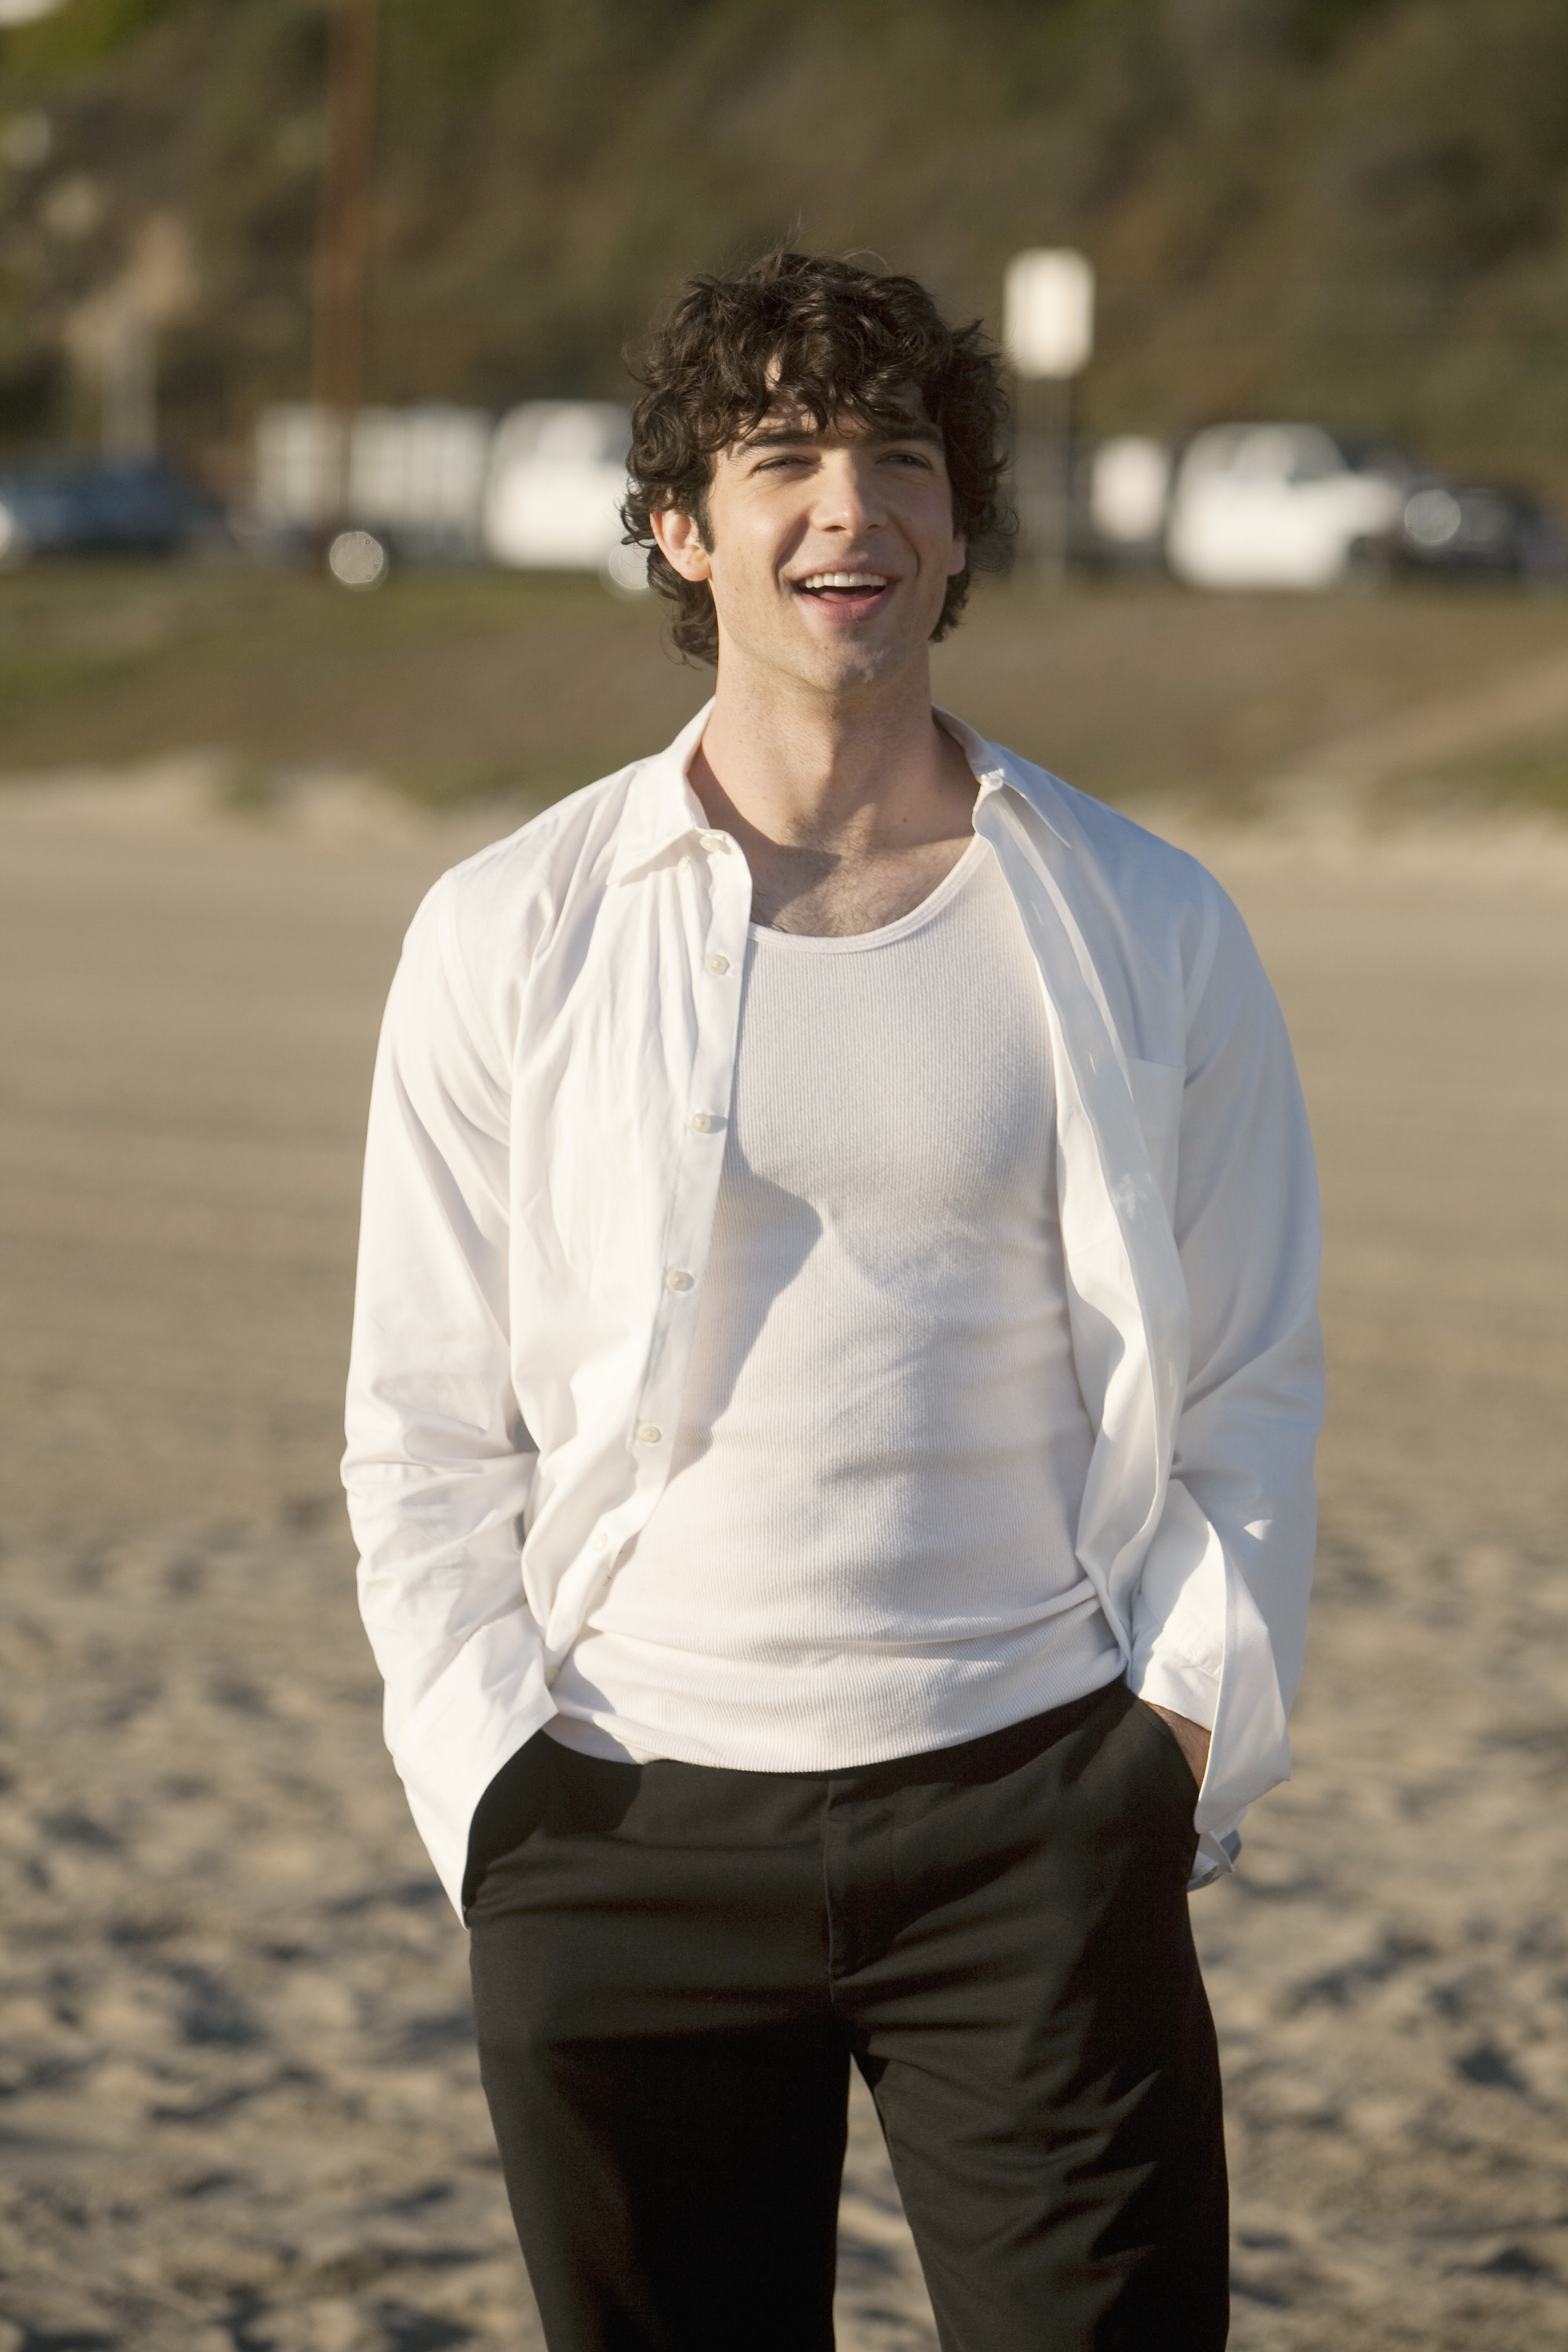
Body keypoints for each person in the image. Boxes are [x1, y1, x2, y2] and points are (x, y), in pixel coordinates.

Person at [343, 250, 1323, 2352]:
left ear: (965, 520)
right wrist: (494, 1792)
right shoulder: (509, 928)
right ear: (685, 528)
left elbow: (1253, 1381)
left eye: (899, 456)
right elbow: (421, 1426)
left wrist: (1168, 1751)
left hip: (1039, 1824)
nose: (846, 507)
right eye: (780, 456)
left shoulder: (1148, 922)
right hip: (614, 1825)